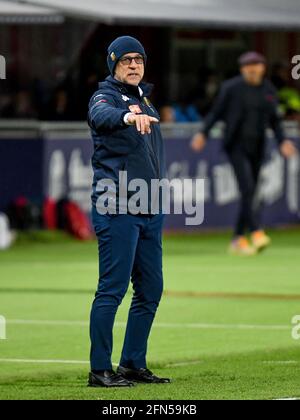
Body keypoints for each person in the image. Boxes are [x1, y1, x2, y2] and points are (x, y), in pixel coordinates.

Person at [87, 36, 170, 387]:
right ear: (113, 64)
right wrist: (124, 116)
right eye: (126, 60)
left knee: (151, 288)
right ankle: (99, 370)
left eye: (139, 59)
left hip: (149, 206)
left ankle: (133, 363)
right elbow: (100, 116)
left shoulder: (144, 100)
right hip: (117, 205)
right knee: (112, 289)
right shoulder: (106, 96)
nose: (134, 65)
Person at [191, 51, 298, 256]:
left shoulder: (268, 90)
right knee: (247, 188)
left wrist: (282, 140)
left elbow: (275, 121)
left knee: (250, 194)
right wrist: (203, 133)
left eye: (256, 66)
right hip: (236, 146)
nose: (252, 70)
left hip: (258, 146)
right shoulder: (231, 88)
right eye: (248, 67)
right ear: (243, 69)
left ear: (262, 68)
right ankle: (256, 231)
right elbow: (216, 113)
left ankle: (238, 238)